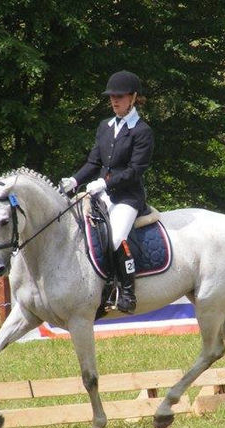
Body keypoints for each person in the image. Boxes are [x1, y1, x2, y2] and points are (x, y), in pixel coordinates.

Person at [59, 70, 154, 314]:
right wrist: (73, 180)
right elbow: (93, 163)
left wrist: (106, 184)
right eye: (111, 97)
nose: (114, 101)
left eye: (119, 97)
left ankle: (127, 292)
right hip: (101, 195)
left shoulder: (142, 131)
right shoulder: (105, 127)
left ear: (133, 98)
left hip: (127, 198)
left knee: (114, 238)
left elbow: (135, 170)